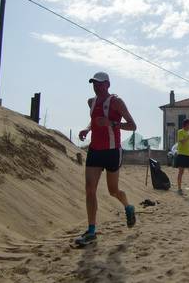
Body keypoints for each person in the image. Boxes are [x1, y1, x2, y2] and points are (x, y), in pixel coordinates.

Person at [75, 72, 137, 246]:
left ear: (108, 84)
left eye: (100, 84)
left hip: (112, 151)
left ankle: (128, 207)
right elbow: (94, 120)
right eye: (94, 83)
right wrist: (87, 129)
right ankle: (91, 230)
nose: (96, 86)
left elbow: (132, 125)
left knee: (113, 191)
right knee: (90, 189)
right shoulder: (91, 101)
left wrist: (111, 123)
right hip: (94, 150)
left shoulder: (116, 102)